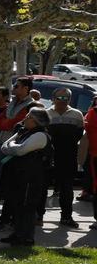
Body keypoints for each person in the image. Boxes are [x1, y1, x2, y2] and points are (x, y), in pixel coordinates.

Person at [0, 108, 52, 246]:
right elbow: (4, 146)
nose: (25, 119)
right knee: (18, 205)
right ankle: (17, 234)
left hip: (31, 178)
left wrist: (13, 147)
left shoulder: (40, 135)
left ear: (36, 121)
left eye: (28, 117)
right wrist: (13, 147)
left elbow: (20, 150)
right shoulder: (24, 131)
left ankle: (26, 238)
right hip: (19, 175)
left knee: (27, 207)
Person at [45, 88, 84, 228]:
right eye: (59, 98)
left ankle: (66, 217)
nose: (62, 101)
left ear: (70, 99)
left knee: (67, 189)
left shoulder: (77, 115)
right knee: (42, 187)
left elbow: (80, 134)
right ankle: (38, 216)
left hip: (68, 157)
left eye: (65, 98)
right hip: (48, 157)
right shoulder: (46, 114)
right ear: (53, 98)